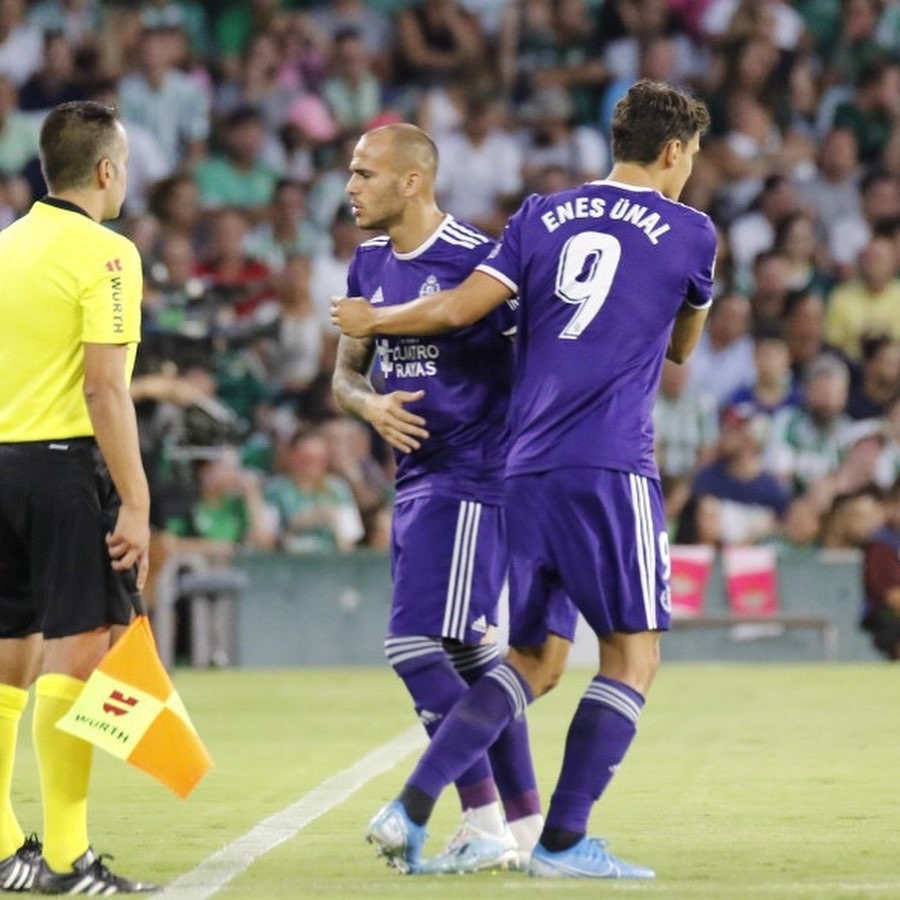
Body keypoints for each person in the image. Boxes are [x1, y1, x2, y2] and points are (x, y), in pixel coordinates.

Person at [333, 79, 716, 879]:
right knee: (631, 656)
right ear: (675, 151)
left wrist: (377, 321)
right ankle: (565, 841)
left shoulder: (541, 214)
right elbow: (682, 347)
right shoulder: (692, 230)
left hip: (523, 466)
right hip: (611, 459)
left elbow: (458, 308)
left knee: (533, 659)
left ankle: (413, 804)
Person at [331, 122, 543, 874]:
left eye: (363, 173)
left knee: (414, 646)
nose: (349, 187)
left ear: (412, 180)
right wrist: (370, 408)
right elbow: (344, 375)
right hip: (417, 480)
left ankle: (479, 820)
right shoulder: (371, 261)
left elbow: (538, 356)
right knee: (468, 653)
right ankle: (522, 827)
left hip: (475, 480)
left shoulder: (479, 259)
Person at [0, 101, 156, 892]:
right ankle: (67, 857)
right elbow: (104, 389)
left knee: (9, 655)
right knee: (81, 651)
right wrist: (135, 501)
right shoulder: (108, 255)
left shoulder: (5, 247)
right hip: (63, 471)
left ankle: (2, 844)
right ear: (105, 171)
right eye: (123, 164)